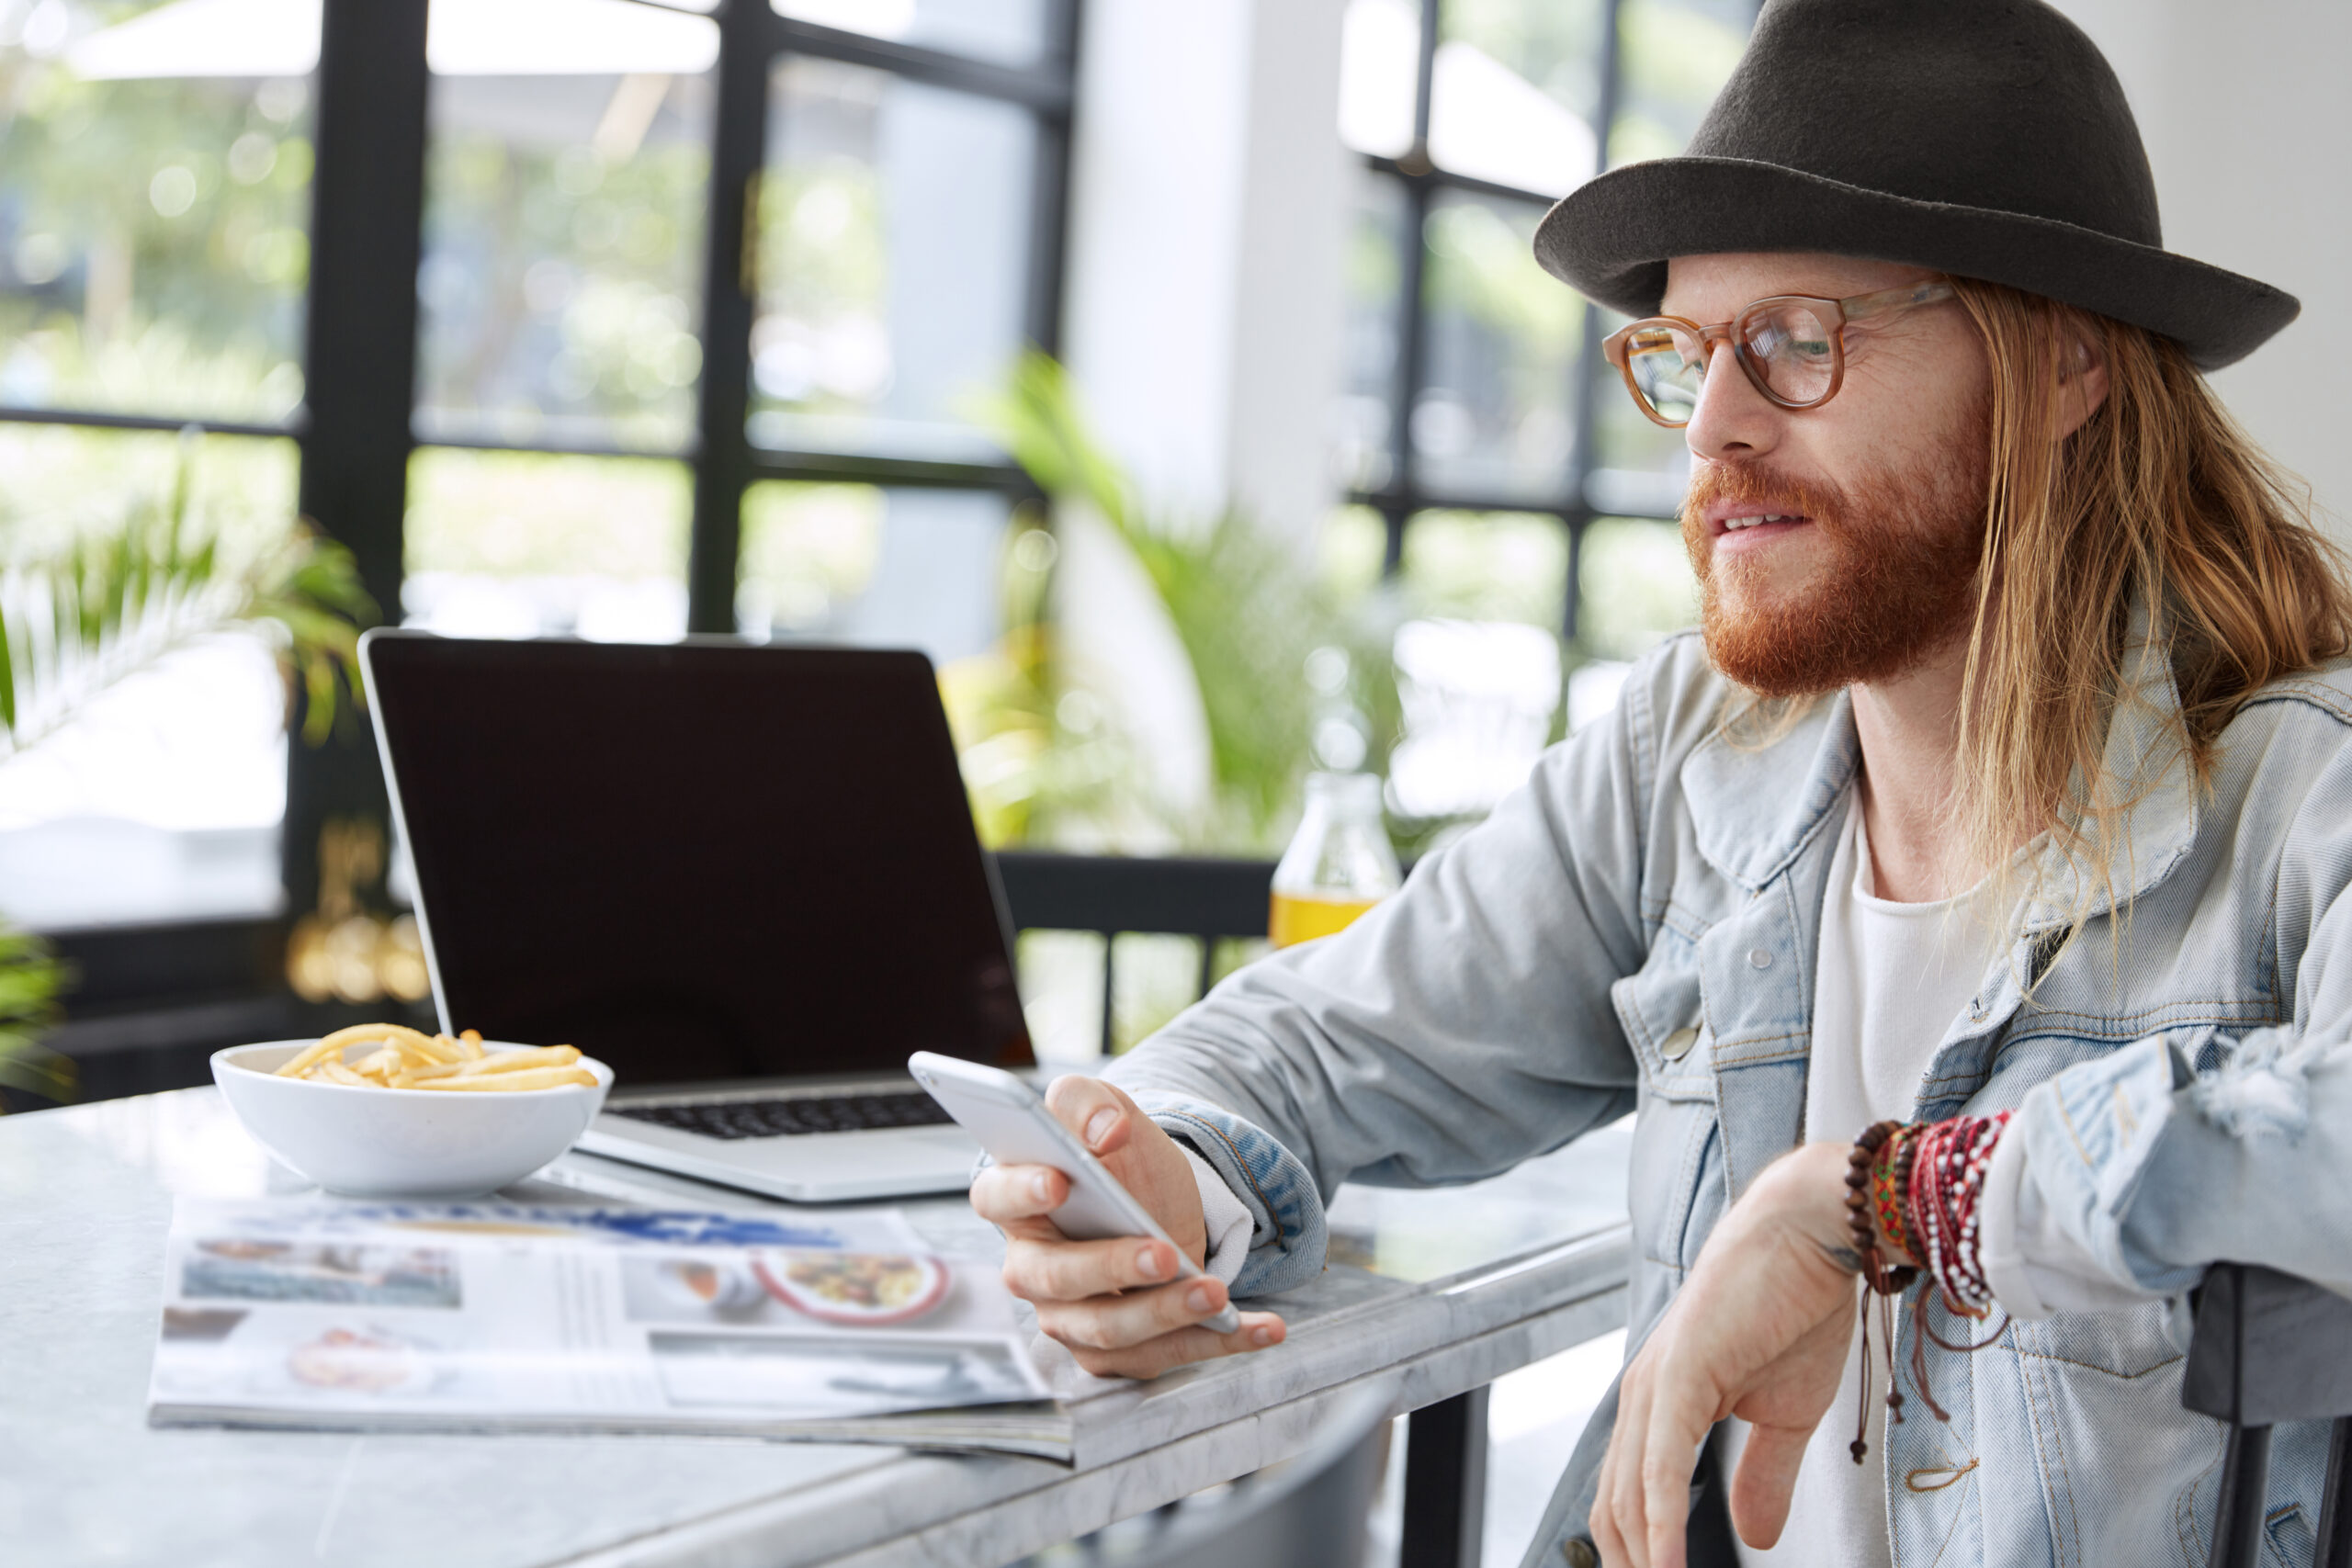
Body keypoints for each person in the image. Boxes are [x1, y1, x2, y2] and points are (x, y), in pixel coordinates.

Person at [968, 2, 2352, 1564]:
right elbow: (1312, 1036)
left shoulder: (2304, 798)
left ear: (2064, 365)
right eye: (1688, 354)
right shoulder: (1701, 752)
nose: (1715, 429)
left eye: (1797, 343)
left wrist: (1889, 1201)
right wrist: (1166, 1178)